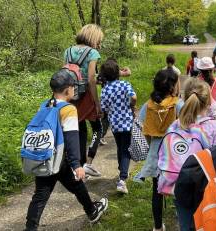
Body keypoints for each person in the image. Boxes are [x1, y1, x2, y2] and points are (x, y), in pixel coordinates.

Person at [24, 70, 108, 231]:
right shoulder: (69, 109)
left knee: (43, 195)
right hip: (59, 158)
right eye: (73, 87)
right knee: (72, 185)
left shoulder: (45, 105)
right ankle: (91, 211)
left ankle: (91, 210)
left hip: (45, 156)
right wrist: (77, 164)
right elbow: (71, 138)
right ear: (68, 89)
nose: (75, 90)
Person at [164, 79, 216, 231]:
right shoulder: (214, 127)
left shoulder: (175, 125)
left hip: (179, 186)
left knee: (186, 225)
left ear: (185, 99)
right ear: (208, 101)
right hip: (206, 190)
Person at [137, 69, 183, 231]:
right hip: (177, 155)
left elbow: (145, 129)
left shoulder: (148, 105)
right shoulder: (178, 104)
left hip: (157, 155)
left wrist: (152, 148)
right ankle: (183, 221)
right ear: (172, 87)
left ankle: (157, 227)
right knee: (180, 189)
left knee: (157, 191)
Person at [64, 24, 104, 177]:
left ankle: (78, 167)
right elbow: (91, 80)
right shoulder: (92, 53)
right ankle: (88, 164)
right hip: (86, 95)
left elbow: (65, 75)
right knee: (98, 128)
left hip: (71, 95)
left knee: (79, 128)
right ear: (94, 38)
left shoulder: (68, 51)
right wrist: (97, 103)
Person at [100, 59, 137, 194]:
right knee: (126, 149)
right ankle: (122, 179)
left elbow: (103, 109)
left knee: (120, 146)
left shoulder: (105, 90)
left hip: (115, 124)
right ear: (118, 73)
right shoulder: (124, 84)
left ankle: (121, 169)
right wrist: (131, 106)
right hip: (126, 121)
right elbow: (133, 98)